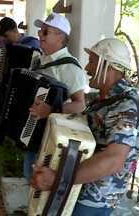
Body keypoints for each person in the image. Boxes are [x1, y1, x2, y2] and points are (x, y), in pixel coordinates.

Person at [30, 38, 139, 216]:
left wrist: (58, 179)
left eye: (92, 61)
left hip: (95, 198)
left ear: (109, 66)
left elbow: (114, 159)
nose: (87, 68)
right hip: (80, 187)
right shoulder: (103, 99)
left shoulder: (126, 105)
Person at [24, 13, 87, 181]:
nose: (39, 35)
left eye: (45, 32)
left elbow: (80, 105)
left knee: (40, 183)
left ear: (60, 36)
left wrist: (51, 110)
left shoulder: (70, 67)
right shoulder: (39, 60)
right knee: (30, 177)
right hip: (33, 132)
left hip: (52, 139)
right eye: (40, 31)